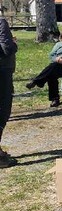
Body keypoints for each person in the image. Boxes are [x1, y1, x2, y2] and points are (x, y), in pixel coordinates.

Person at [26, 30, 62, 107]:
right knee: (52, 73)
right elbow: (51, 55)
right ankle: (55, 99)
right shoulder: (58, 44)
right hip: (57, 65)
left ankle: (37, 81)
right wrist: (56, 59)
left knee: (53, 68)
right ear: (61, 37)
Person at [0, 18, 18, 168]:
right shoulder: (0, 22)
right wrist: (14, 44)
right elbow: (6, 48)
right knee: (2, 111)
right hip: (2, 72)